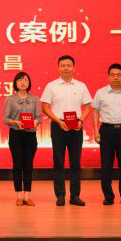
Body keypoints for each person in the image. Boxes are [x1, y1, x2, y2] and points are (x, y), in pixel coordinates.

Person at [40, 55, 92, 207]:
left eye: (69, 65)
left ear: (74, 68)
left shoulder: (81, 86)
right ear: (58, 68)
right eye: (62, 65)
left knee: (76, 163)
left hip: (76, 126)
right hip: (58, 126)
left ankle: (75, 196)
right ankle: (60, 196)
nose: (66, 68)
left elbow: (87, 107)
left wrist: (81, 121)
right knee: (59, 162)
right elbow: (45, 107)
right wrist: (58, 121)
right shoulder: (51, 86)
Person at [91, 63, 121, 206]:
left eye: (118, 75)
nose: (115, 78)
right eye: (112, 75)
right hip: (106, 130)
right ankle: (108, 197)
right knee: (106, 165)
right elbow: (95, 112)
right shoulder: (101, 92)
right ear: (108, 77)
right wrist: (96, 131)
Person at [3, 71, 42, 206]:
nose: (23, 82)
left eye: (25, 80)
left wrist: (35, 122)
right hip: (16, 134)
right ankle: (19, 195)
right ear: (15, 83)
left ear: (29, 82)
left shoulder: (35, 99)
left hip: (30, 135)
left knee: (28, 165)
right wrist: (15, 122)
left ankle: (27, 196)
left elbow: (39, 118)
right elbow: (6, 119)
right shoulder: (10, 99)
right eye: (20, 80)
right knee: (17, 165)